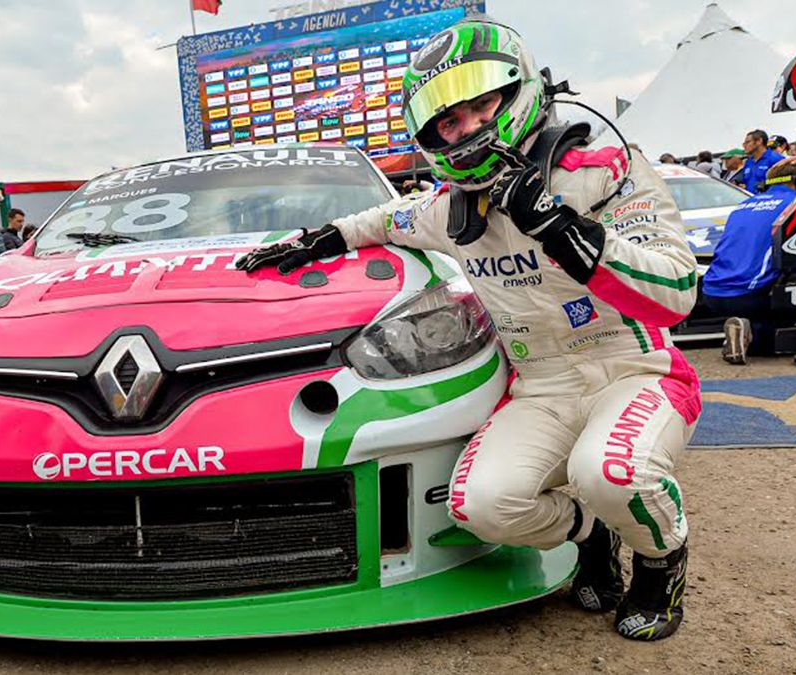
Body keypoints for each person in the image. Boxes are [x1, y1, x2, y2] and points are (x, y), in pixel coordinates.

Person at [238, 19, 699, 641]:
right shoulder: (447, 205)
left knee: (610, 472)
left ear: (517, 92)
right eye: (447, 123)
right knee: (480, 507)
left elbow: (676, 292)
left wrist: (561, 226)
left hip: (636, 369)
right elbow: (382, 218)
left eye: (479, 104)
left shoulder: (602, 164)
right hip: (540, 387)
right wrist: (317, 239)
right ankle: (592, 535)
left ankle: (660, 562)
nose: (467, 130)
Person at [703, 158, 796, 363]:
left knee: (766, 345)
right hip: (753, 294)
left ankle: (749, 334)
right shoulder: (795, 203)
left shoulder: (744, 204)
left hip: (713, 292)